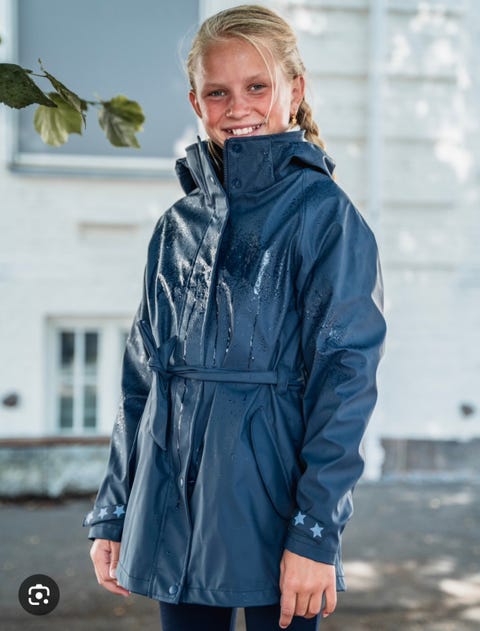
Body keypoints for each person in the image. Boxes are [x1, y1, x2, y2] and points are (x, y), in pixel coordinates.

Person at [85, 5, 386, 630]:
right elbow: (141, 382)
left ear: (294, 91)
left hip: (275, 514)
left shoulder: (325, 217)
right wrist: (114, 509)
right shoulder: (176, 227)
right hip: (170, 514)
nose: (237, 107)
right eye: (218, 92)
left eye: (256, 86)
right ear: (196, 103)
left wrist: (315, 532)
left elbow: (345, 384)